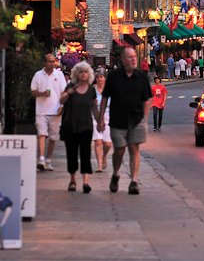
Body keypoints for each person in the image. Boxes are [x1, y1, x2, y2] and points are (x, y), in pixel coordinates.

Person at [100, 46, 152, 195]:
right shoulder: (114, 77)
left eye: (134, 56)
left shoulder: (141, 77)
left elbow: (146, 100)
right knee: (119, 149)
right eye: (130, 57)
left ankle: (134, 181)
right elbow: (105, 98)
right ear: (123, 60)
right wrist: (101, 118)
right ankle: (116, 174)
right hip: (118, 119)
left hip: (137, 119)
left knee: (134, 148)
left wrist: (145, 120)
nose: (134, 59)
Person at [59, 61, 102, 193]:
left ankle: (85, 182)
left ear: (89, 74)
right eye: (81, 72)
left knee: (85, 153)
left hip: (86, 126)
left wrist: (100, 121)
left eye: (85, 72)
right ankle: (72, 180)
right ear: (76, 74)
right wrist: (69, 93)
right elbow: (61, 101)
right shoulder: (70, 86)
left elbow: (94, 107)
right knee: (71, 153)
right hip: (70, 125)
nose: (83, 74)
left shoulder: (91, 90)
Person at [31, 53, 66, 172]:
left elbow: (64, 92)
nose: (52, 63)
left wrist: (62, 106)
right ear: (44, 63)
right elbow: (33, 91)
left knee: (53, 137)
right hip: (41, 110)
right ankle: (41, 159)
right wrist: (42, 93)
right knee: (41, 134)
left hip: (55, 111)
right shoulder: (38, 75)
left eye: (53, 61)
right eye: (49, 61)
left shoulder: (59, 75)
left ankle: (48, 160)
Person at [92, 74, 112, 172]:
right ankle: (99, 165)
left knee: (107, 143)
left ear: (105, 78)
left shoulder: (109, 90)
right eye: (98, 77)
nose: (99, 79)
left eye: (101, 77)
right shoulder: (92, 90)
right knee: (98, 141)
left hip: (108, 117)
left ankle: (104, 156)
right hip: (95, 116)